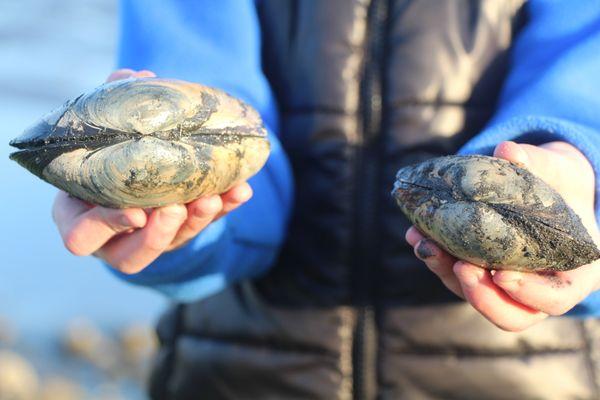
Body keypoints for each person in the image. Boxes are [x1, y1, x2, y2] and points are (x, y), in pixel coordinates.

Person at [52, 0, 600, 398]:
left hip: (527, 372)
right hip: (242, 371)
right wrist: (184, 225)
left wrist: (575, 165)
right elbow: (217, 118)